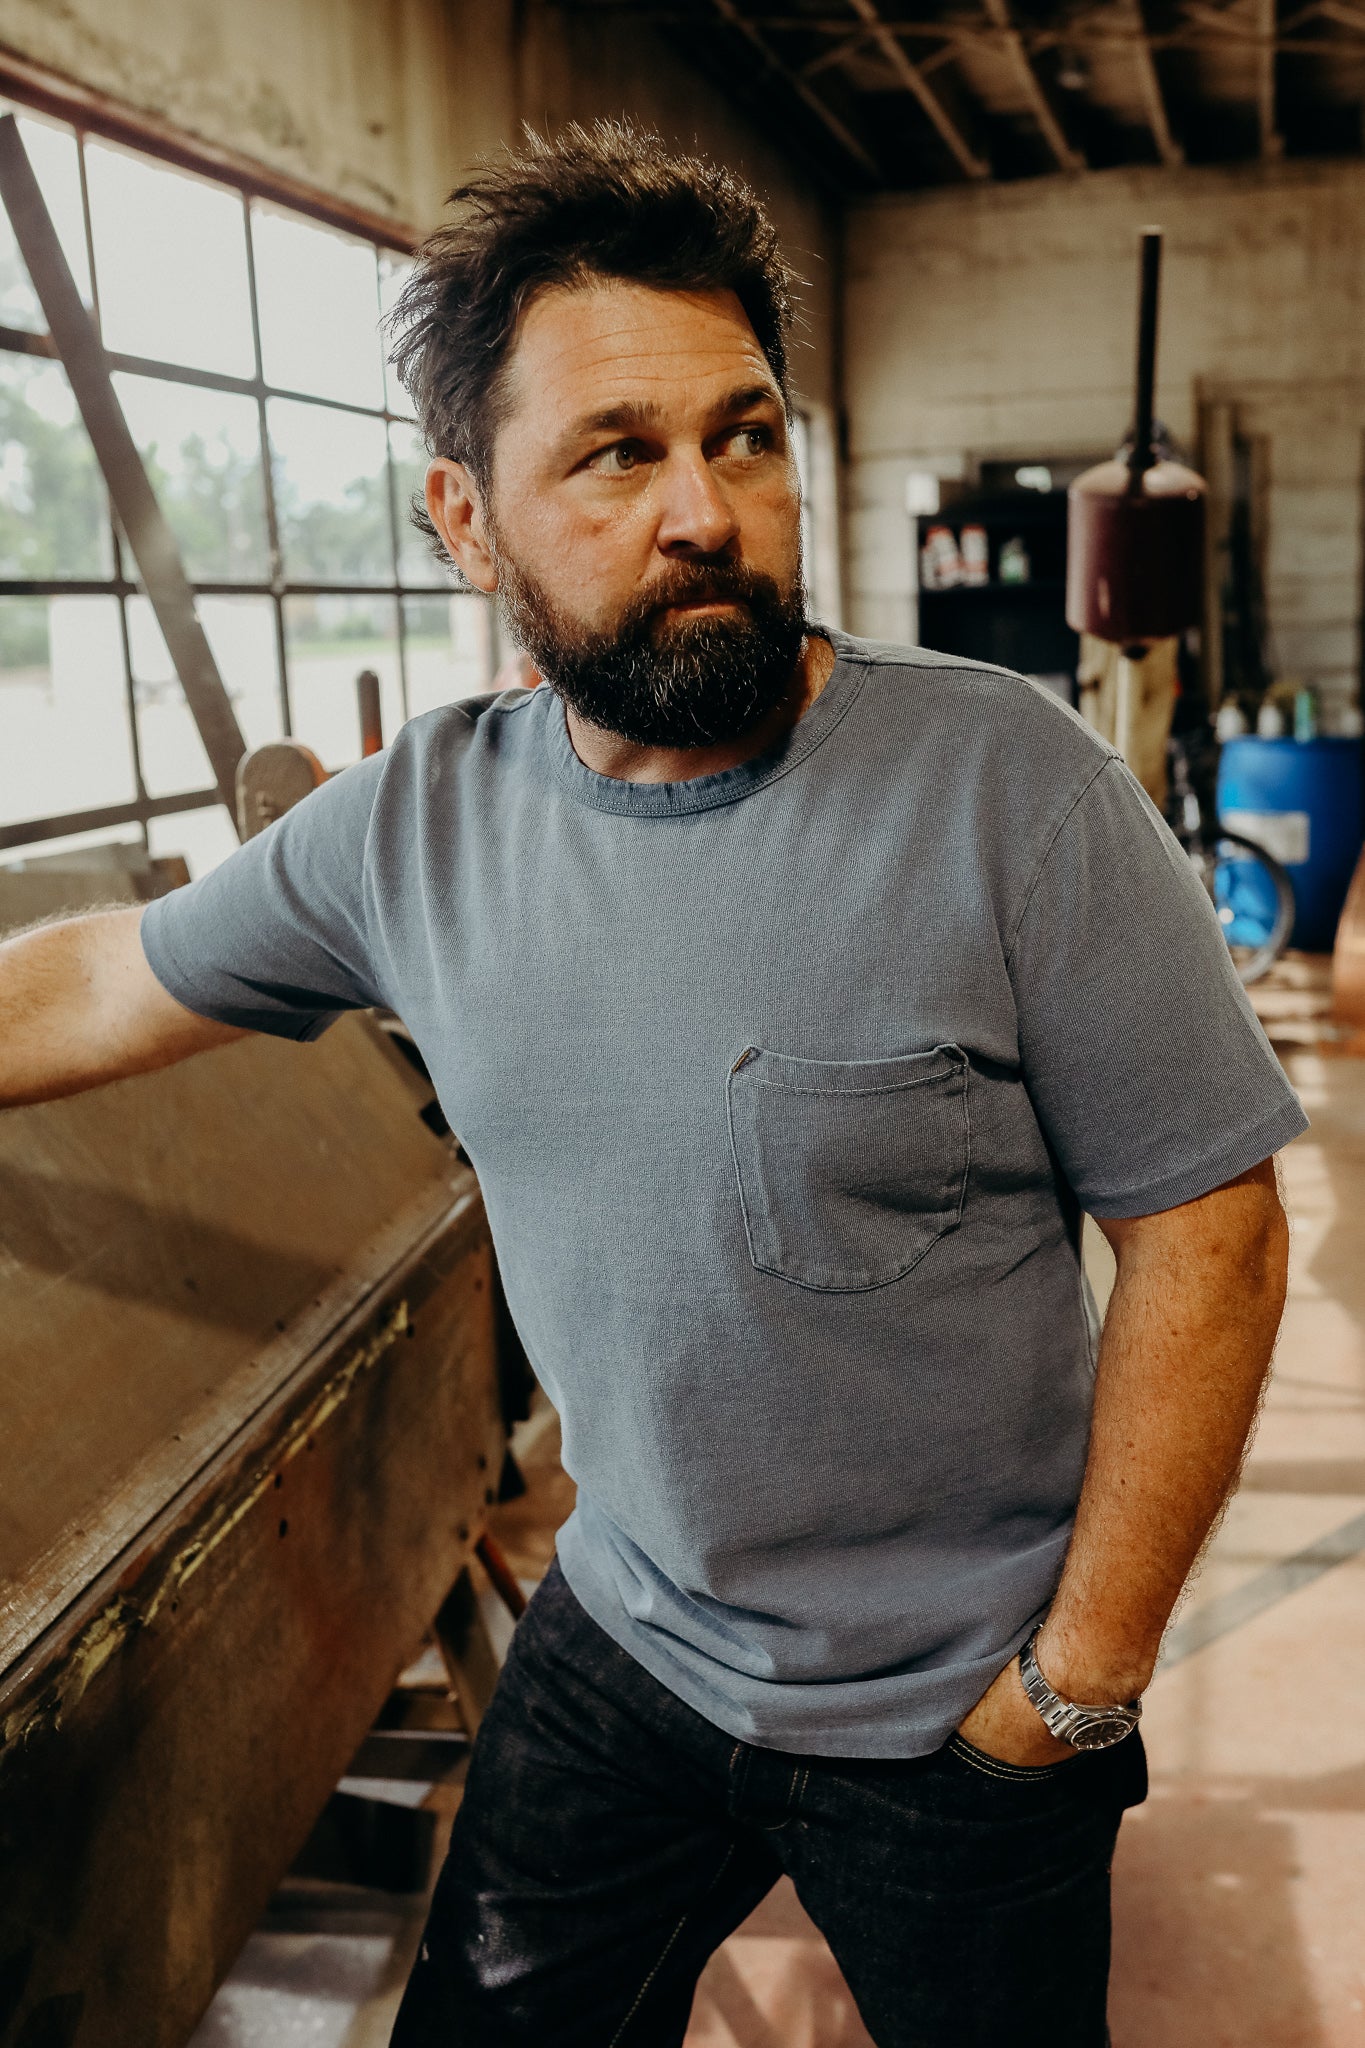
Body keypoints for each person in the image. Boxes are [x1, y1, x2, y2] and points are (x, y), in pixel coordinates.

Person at [0, 124, 1303, 2047]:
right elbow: (107, 972)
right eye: (616, 454)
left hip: (960, 1709)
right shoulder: (412, 832)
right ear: (466, 518)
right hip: (632, 1639)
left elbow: (1210, 1233)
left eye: (744, 435)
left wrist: (1072, 1686)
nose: (704, 507)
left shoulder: (1004, 789)